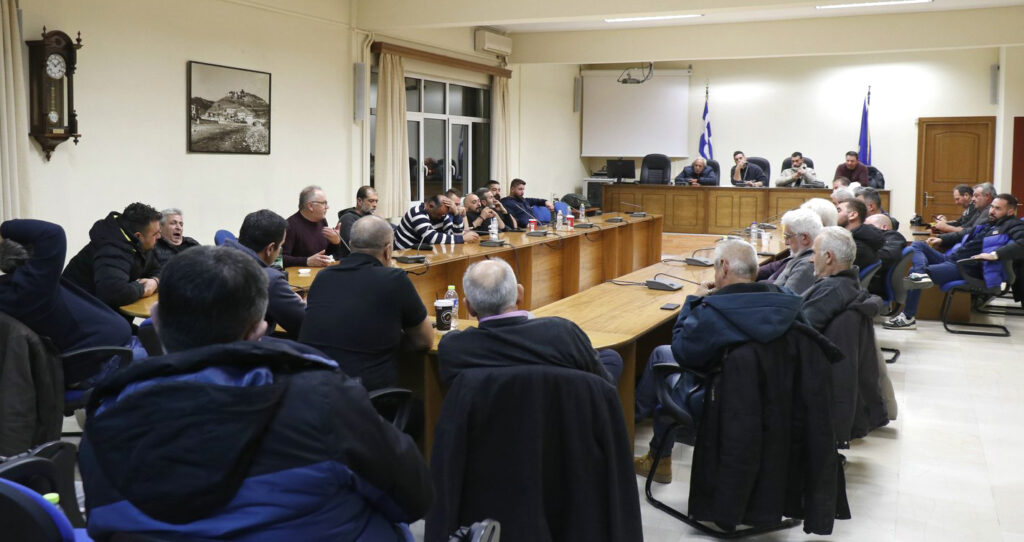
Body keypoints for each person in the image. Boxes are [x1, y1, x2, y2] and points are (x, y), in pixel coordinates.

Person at [79, 246, 432, 540]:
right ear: (259, 328)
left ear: (154, 319)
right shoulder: (324, 398)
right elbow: (414, 498)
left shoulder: (104, 419)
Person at [633, 239, 804, 483]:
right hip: (773, 399)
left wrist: (693, 302)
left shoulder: (713, 313)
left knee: (664, 361)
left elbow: (682, 351)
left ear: (724, 267)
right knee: (661, 352)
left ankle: (637, 437)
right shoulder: (787, 303)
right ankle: (645, 440)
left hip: (716, 400)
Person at [0, 219, 145, 386]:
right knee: (166, 356)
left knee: (158, 340)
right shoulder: (33, 287)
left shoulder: (15, 288)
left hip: (106, 352)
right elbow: (53, 234)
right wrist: (3, 230)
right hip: (104, 362)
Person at [438, 258, 623, 387]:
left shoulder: (454, 347)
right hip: (558, 423)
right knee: (611, 358)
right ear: (520, 294)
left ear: (468, 307)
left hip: (489, 428)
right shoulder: (561, 331)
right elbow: (602, 385)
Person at [301, 215, 433, 390]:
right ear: (388, 250)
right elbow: (424, 340)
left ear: (351, 245)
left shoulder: (323, 276)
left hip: (314, 388)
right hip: (365, 395)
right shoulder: (394, 279)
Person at [884, 193, 1024, 330]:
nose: (992, 211)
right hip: (952, 259)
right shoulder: (990, 223)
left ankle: (908, 317)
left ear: (1010, 211)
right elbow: (964, 233)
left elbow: (1022, 244)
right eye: (992, 207)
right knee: (918, 245)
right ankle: (920, 273)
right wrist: (942, 239)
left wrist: (995, 255)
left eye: (998, 208)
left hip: (966, 267)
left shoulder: (1014, 225)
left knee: (913, 272)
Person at [222, 209, 306, 338]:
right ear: (270, 249)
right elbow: (306, 325)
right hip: (241, 347)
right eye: (281, 246)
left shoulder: (214, 259)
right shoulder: (268, 279)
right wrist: (303, 304)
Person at [62, 202, 161, 310]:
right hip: (73, 308)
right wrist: (142, 288)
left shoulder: (139, 244)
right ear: (138, 236)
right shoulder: (110, 250)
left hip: (97, 308)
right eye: (155, 234)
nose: (159, 236)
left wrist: (154, 282)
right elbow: (114, 294)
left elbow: (162, 269)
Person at [756, 208, 822, 294]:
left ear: (804, 238)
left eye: (788, 237)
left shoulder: (806, 266)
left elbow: (786, 299)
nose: (786, 242)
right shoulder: (801, 255)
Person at [282, 185, 342, 267]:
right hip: (297, 274)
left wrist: (335, 242)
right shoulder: (290, 225)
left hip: (319, 272)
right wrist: (306, 261)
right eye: (324, 203)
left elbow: (326, 253)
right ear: (310, 206)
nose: (327, 207)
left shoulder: (322, 221)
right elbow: (281, 259)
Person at [393, 194, 479, 249]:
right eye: (438, 214)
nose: (440, 217)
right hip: (404, 254)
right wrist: (463, 238)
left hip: (423, 252)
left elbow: (454, 234)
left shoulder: (442, 213)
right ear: (430, 206)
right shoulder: (416, 213)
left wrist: (456, 213)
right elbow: (432, 238)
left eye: (443, 214)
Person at [864, 213, 908, 296]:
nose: (864, 230)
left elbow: (888, 256)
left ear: (884, 227)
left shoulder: (893, 237)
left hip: (873, 288)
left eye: (868, 227)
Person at [837, 198, 884, 271]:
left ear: (853, 215)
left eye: (838, 211)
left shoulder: (856, 247)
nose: (834, 214)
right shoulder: (862, 238)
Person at [336, 185, 378, 256]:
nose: (375, 205)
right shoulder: (347, 219)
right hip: (350, 260)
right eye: (371, 201)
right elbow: (353, 247)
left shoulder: (372, 218)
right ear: (359, 201)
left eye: (376, 201)